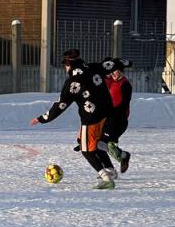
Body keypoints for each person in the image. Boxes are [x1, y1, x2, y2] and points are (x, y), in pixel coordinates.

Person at [30, 49, 117, 189]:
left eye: (65, 66)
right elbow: (110, 64)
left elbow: (60, 105)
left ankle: (106, 178)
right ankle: (110, 170)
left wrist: (42, 119)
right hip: (106, 114)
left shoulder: (72, 83)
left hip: (91, 119)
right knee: (91, 143)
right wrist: (125, 62)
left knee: (86, 150)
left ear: (68, 65)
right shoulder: (93, 67)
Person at [100, 57, 133, 173]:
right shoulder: (111, 82)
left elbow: (124, 104)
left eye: (115, 71)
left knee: (108, 145)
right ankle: (119, 160)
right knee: (100, 144)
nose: (113, 73)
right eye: (111, 71)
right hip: (109, 119)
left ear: (121, 71)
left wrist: (112, 112)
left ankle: (120, 159)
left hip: (119, 120)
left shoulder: (125, 84)